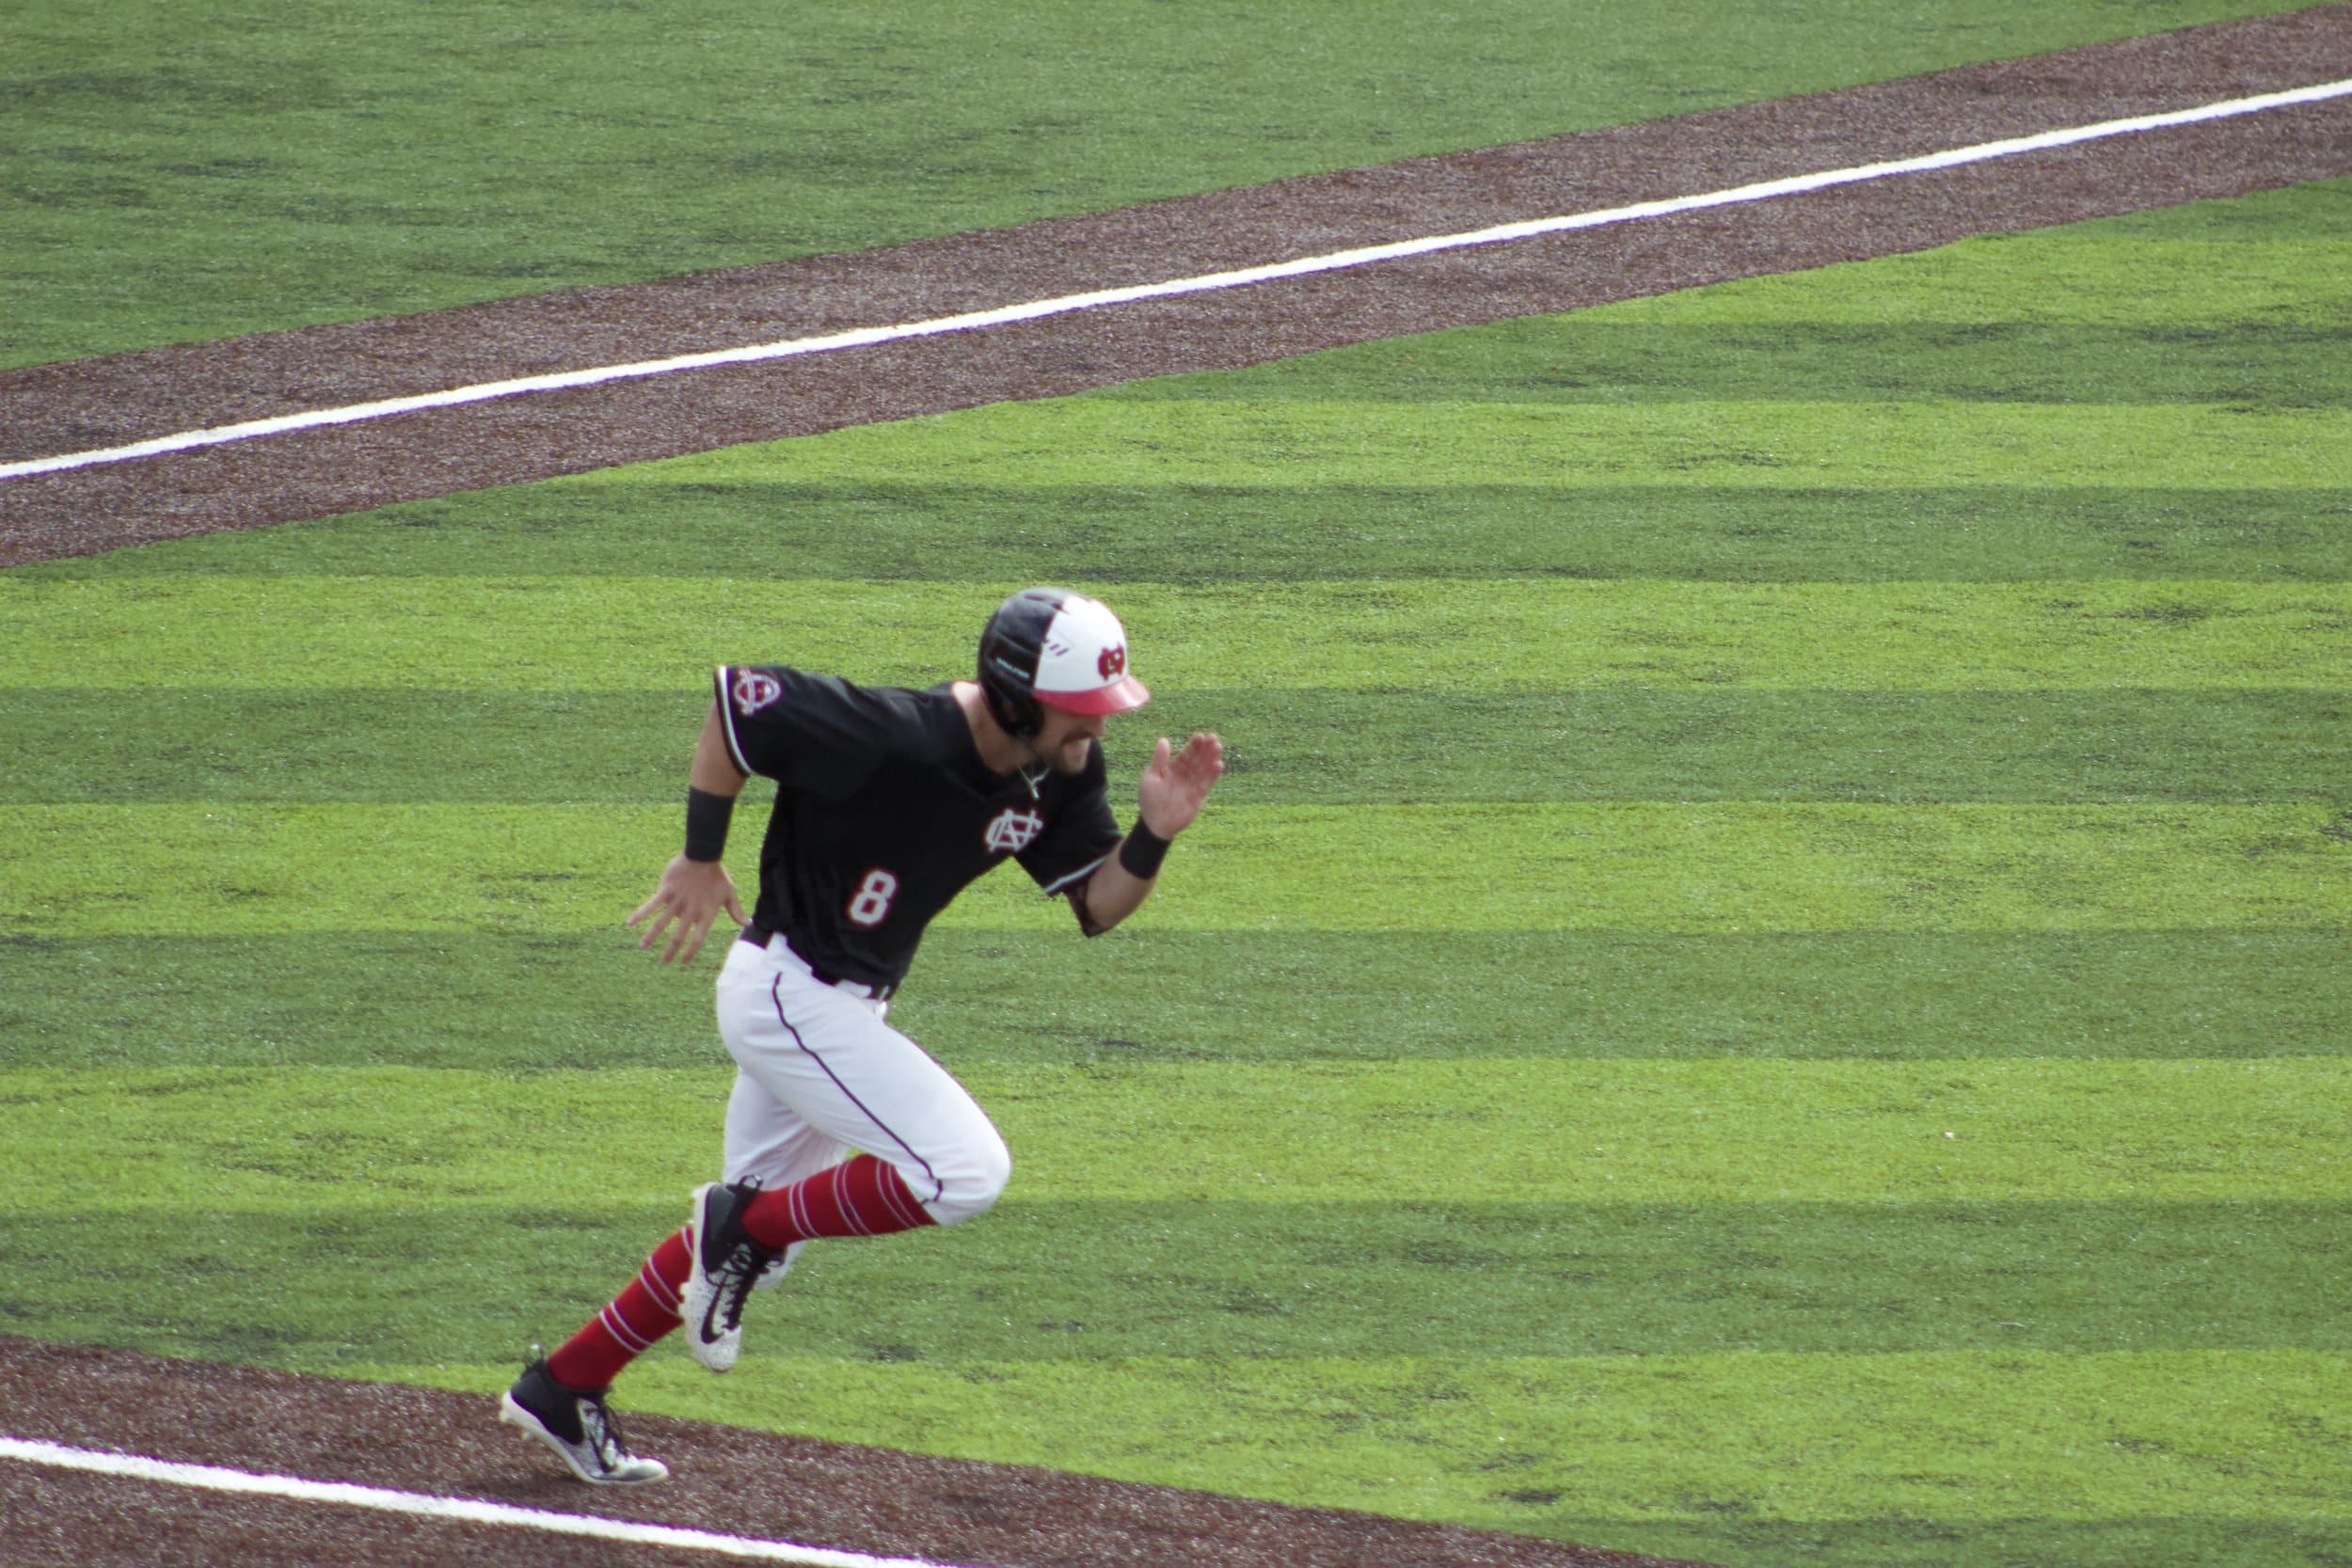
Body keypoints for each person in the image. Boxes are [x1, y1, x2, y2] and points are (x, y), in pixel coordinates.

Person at [498, 587, 1224, 1484]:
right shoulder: (892, 732)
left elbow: (1098, 904)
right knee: (964, 1173)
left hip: (840, 1010)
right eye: (1079, 713)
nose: (1096, 731)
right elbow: (735, 705)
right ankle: (746, 1225)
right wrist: (698, 853)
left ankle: (564, 1384)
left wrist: (1154, 833)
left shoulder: (1058, 770)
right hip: (786, 997)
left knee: (747, 1256)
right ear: (1012, 697)